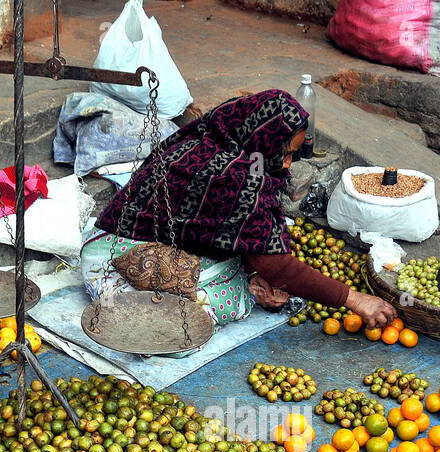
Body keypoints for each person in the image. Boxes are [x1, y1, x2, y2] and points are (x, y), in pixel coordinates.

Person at [85, 89, 394, 330]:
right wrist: (353, 299)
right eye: (285, 154)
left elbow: (223, 228)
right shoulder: (238, 179)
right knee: (231, 298)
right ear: (264, 141)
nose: (287, 165)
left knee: (242, 270)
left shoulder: (216, 138)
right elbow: (279, 267)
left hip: (111, 237)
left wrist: (254, 269)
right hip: (118, 259)